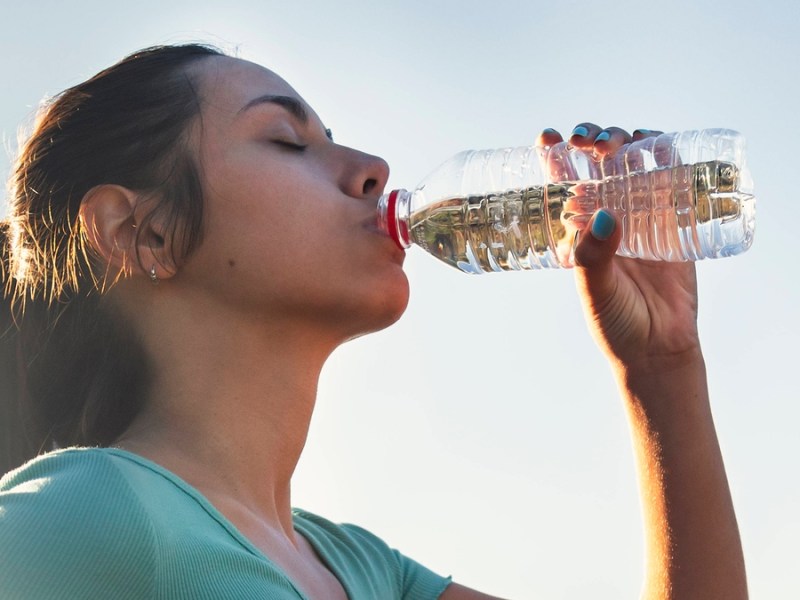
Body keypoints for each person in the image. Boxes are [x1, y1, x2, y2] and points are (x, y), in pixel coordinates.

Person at [0, 44, 747, 599]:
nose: (373, 168)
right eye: (287, 141)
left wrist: (663, 368)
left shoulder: (364, 572)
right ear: (143, 233)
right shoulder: (91, 512)